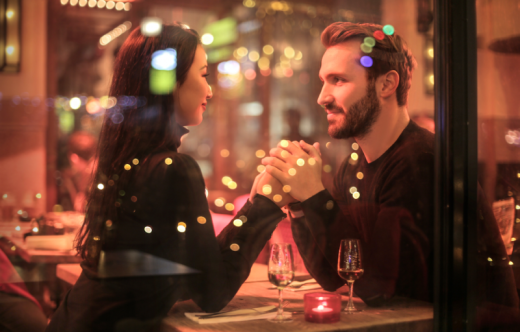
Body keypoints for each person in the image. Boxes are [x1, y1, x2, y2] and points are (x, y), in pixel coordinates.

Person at [261, 21, 519, 313]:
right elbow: (334, 276)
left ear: (386, 84)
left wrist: (314, 197)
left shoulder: (421, 160)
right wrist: (298, 204)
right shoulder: (353, 166)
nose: (322, 97)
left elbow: (381, 289)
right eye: (324, 81)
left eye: (338, 80)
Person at [46, 24, 288, 332]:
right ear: (171, 83)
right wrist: (267, 204)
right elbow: (212, 292)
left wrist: (255, 203)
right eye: (203, 75)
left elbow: (193, 274)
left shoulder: (128, 161)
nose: (210, 90)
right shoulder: (172, 168)